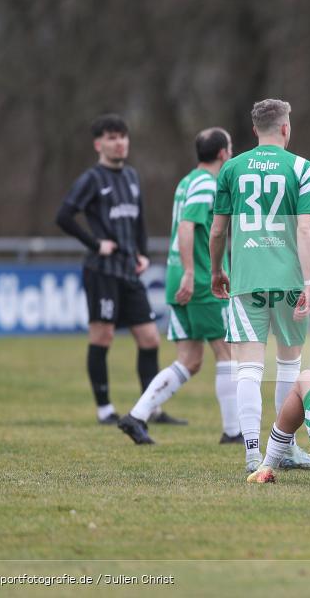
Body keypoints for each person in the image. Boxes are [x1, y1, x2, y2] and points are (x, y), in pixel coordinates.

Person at [209, 99, 310, 473]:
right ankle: (284, 450)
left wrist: (216, 271)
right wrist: (308, 281)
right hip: (289, 280)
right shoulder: (302, 168)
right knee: (289, 364)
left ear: (255, 129)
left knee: (248, 369)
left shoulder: (232, 169)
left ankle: (252, 455)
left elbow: (218, 230)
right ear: (286, 128)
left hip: (247, 278)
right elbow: (306, 228)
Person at [118, 128, 243, 445]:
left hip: (181, 274)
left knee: (190, 359)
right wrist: (191, 272)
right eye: (230, 147)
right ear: (223, 154)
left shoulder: (188, 180)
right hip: (200, 278)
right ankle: (233, 431)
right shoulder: (205, 183)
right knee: (226, 351)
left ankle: (137, 416)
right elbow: (187, 226)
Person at [56, 114, 181, 425]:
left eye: (123, 136)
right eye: (112, 137)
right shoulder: (92, 179)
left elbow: (138, 221)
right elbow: (64, 216)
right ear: (99, 144)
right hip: (102, 270)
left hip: (128, 269)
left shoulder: (132, 177)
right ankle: (104, 410)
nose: (120, 142)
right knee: (103, 336)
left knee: (150, 338)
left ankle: (150, 408)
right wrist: (95, 243)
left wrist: (142, 254)